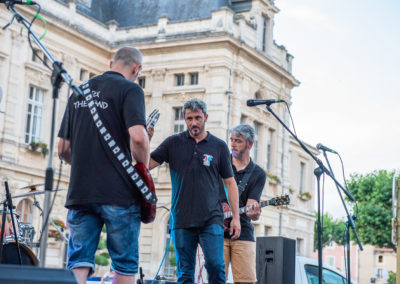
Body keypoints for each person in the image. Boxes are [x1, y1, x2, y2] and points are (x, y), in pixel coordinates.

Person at [58, 46, 149, 284]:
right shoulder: (131, 89)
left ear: (111, 64)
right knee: (124, 265)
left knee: (78, 262)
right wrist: (143, 168)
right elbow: (138, 138)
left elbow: (63, 150)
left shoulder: (78, 91)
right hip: (118, 193)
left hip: (80, 191)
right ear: (136, 68)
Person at [149, 98, 241, 283]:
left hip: (211, 219)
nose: (194, 123)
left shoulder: (219, 146)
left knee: (215, 266)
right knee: (185, 274)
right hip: (181, 219)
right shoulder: (172, 143)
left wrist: (236, 218)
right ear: (184, 118)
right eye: (189, 118)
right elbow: (145, 165)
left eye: (197, 118)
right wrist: (146, 140)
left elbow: (230, 183)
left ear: (205, 117)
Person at [223, 124, 267, 284]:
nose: (233, 144)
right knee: (213, 279)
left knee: (246, 281)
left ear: (250, 144)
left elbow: (251, 205)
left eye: (238, 141)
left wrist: (254, 213)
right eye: (232, 140)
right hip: (216, 232)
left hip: (243, 233)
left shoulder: (258, 174)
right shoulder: (221, 163)